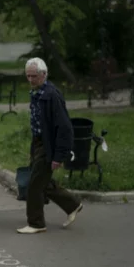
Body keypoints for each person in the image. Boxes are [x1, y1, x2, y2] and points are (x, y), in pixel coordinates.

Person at [17, 58, 83, 234]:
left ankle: (36, 223)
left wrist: (58, 156)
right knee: (42, 180)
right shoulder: (37, 92)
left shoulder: (51, 95)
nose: (31, 80)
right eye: (28, 76)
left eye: (34, 76)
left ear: (44, 75)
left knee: (35, 184)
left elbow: (64, 128)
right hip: (38, 142)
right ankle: (73, 204)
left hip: (49, 145)